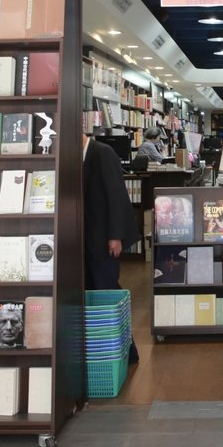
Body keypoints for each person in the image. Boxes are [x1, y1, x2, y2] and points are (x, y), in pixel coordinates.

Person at [83, 136, 141, 363]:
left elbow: (116, 195)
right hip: (85, 237)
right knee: (94, 290)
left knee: (107, 289)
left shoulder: (102, 152)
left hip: (104, 238)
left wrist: (115, 236)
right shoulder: (78, 156)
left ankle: (127, 351)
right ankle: (104, 350)